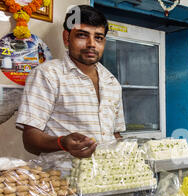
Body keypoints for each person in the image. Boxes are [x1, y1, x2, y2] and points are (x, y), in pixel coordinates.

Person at [16, 5, 125, 159]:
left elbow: (115, 134)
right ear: (67, 38)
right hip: (62, 178)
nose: (91, 44)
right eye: (82, 35)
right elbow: (30, 140)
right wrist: (62, 143)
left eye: (98, 38)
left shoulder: (112, 82)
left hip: (105, 179)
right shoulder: (48, 75)